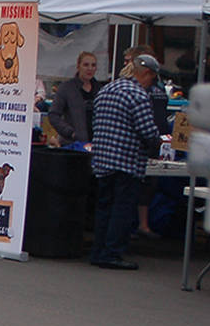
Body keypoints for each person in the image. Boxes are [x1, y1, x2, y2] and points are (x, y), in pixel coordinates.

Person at [89, 53, 163, 270]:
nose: (151, 84)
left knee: (104, 207)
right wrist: (157, 145)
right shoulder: (138, 96)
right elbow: (148, 131)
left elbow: (96, 122)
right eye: (152, 78)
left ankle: (98, 251)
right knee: (122, 209)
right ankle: (112, 253)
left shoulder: (106, 90)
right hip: (126, 161)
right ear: (147, 74)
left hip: (102, 160)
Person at [120, 45, 169, 237]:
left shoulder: (157, 86)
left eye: (128, 61)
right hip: (141, 140)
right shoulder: (133, 89)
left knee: (149, 184)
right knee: (134, 185)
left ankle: (143, 224)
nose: (126, 64)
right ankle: (133, 225)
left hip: (156, 138)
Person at [48, 51, 103, 146]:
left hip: (96, 144)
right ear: (78, 66)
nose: (90, 68)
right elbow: (53, 115)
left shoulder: (100, 89)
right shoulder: (66, 88)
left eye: (93, 65)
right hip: (72, 144)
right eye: (86, 65)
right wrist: (69, 132)